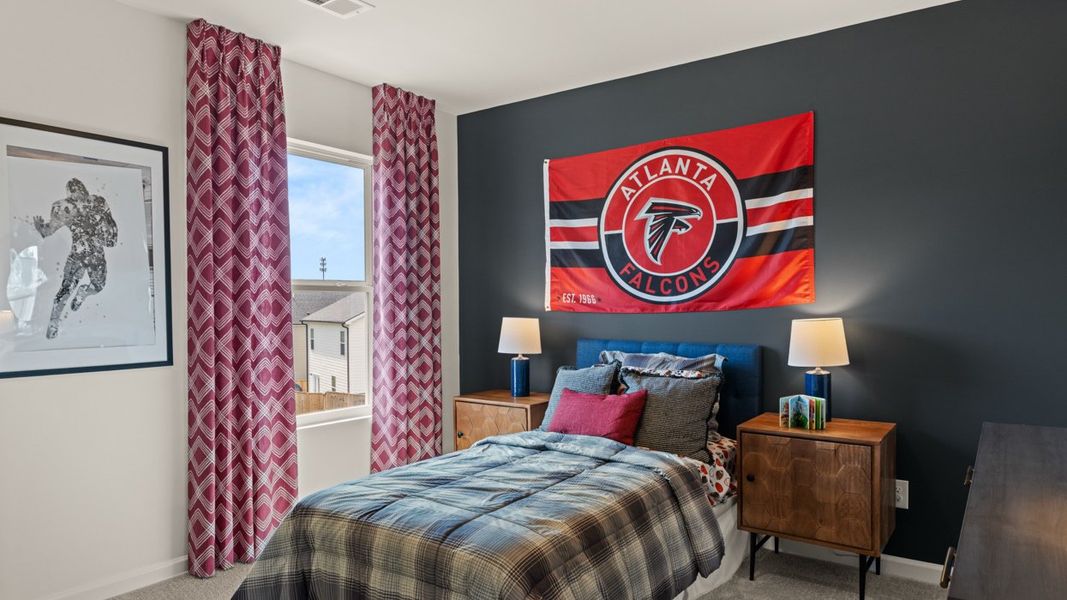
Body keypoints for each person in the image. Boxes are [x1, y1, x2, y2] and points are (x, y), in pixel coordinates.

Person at [33, 178, 118, 339]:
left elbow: (111, 224)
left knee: (99, 286)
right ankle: (54, 322)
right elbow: (49, 230)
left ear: (85, 192)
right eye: (74, 194)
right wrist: (41, 229)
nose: (78, 197)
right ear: (70, 196)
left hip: (94, 255)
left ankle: (83, 293)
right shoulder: (65, 208)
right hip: (79, 255)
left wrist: (110, 236)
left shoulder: (97, 202)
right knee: (65, 290)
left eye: (80, 193)